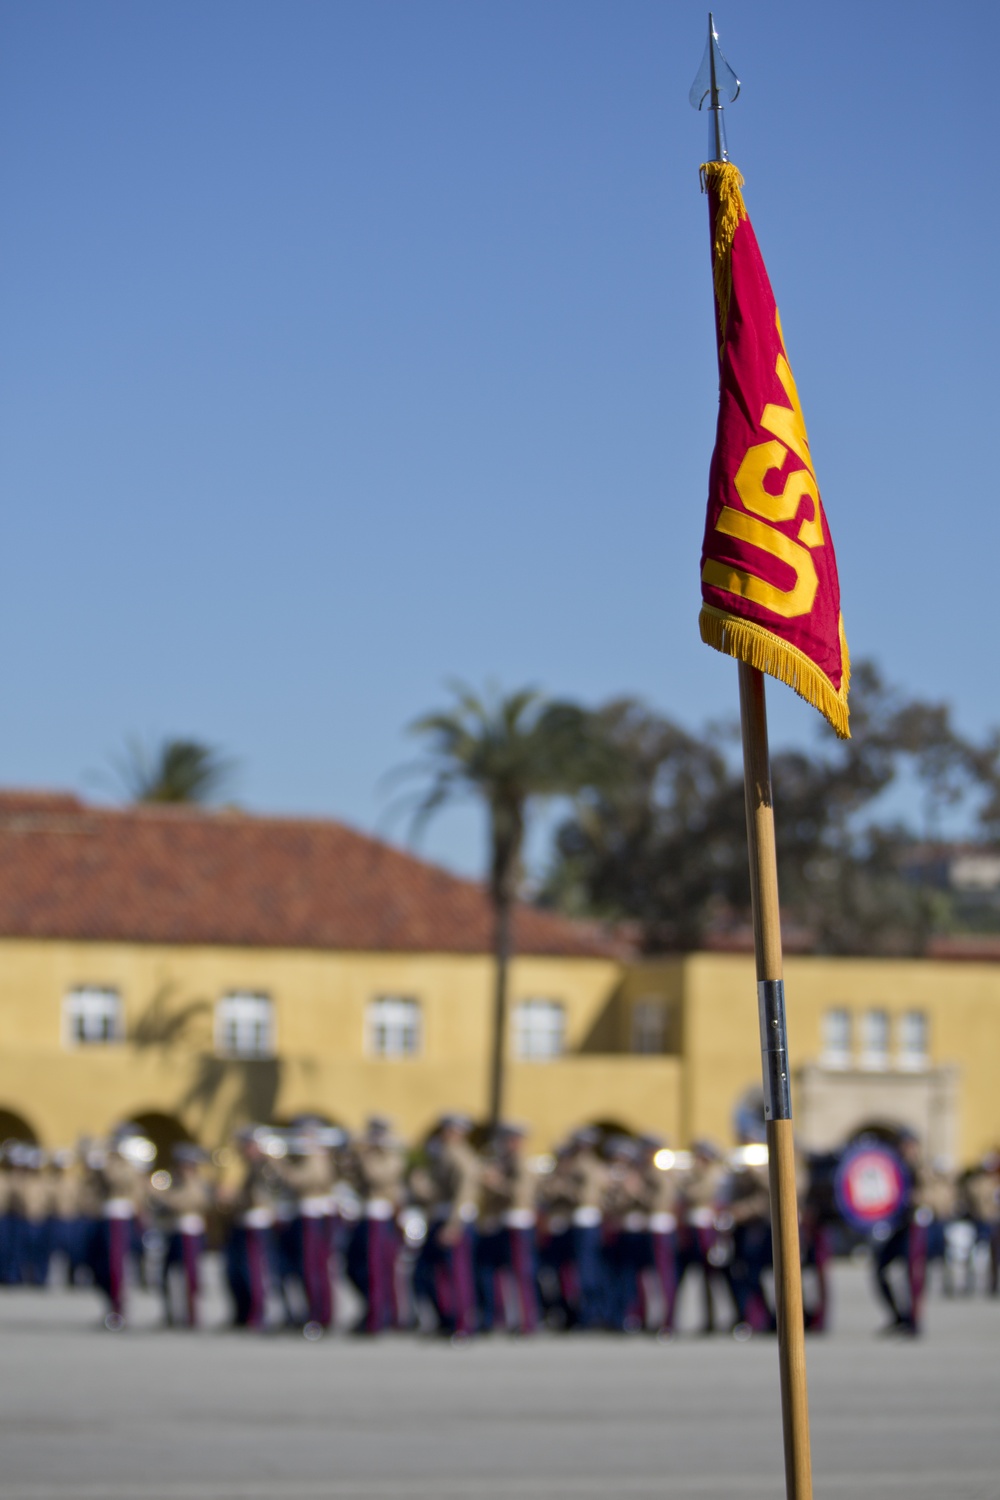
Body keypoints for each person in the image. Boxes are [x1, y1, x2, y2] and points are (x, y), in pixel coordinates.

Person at [409, 1114, 479, 1338]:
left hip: (453, 1219)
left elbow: (464, 1194)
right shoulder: (443, 1155)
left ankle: (460, 1324)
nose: (446, 1135)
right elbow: (438, 1193)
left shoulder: (461, 1156)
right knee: (428, 1272)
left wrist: (453, 1225)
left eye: (451, 1130)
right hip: (440, 1217)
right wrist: (420, 1187)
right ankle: (445, 1318)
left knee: (456, 1274)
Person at [474, 1123, 539, 1334]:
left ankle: (526, 1321)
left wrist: (496, 1183)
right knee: (495, 1270)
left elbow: (520, 1193)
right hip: (503, 1221)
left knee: (521, 1272)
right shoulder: (504, 1161)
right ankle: (499, 1317)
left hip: (517, 1222)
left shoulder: (520, 1162)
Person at [343, 1116, 405, 1333]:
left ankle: (379, 1318)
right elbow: (354, 1181)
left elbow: (375, 1176)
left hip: (381, 1216)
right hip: (366, 1215)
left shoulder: (392, 1156)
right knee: (353, 1266)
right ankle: (374, 1310)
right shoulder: (366, 1155)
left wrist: (364, 1155)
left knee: (377, 1269)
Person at [149, 1144, 213, 1328]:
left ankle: (192, 1316)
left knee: (190, 1275)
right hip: (174, 1230)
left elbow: (187, 1203)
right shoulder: (175, 1181)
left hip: (190, 1232)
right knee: (166, 1274)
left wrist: (163, 1197)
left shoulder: (197, 1183)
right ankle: (170, 1313)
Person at [85, 1131, 143, 1328]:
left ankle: (118, 1310)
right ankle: (110, 1305)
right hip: (104, 1215)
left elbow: (116, 1180)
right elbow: (92, 1187)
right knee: (97, 1264)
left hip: (120, 1216)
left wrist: (102, 1163)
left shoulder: (127, 1165)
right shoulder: (106, 1162)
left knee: (115, 1264)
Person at [223, 1128, 278, 1331]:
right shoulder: (251, 1166)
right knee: (236, 1271)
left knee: (253, 1271)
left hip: (256, 1222)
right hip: (244, 1222)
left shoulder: (263, 1166)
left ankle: (257, 1314)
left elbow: (258, 1197)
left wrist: (232, 1198)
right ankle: (244, 1313)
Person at [675, 1140, 729, 1334]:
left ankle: (711, 1319)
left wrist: (685, 1180)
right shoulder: (692, 1175)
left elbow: (697, 1196)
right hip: (690, 1227)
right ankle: (672, 1319)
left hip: (705, 1228)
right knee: (682, 1274)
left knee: (710, 1276)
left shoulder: (711, 1175)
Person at [637, 1136, 680, 1336]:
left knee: (664, 1275)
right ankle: (652, 1317)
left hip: (660, 1226)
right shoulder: (647, 1172)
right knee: (649, 1276)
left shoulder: (661, 1172)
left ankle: (667, 1320)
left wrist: (636, 1192)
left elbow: (659, 1202)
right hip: (650, 1226)